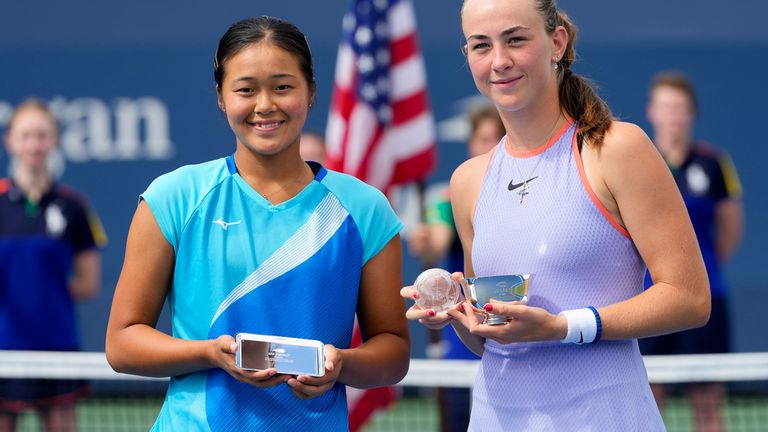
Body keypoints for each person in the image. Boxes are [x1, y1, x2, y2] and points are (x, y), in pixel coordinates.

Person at [401, 0, 710, 430]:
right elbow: (487, 339)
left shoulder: (618, 149)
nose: (500, 61)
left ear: (556, 42)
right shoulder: (467, 180)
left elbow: (690, 298)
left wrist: (564, 326)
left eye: (516, 39)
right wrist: (459, 311)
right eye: (481, 46)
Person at [104, 16, 410, 431]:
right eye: (246, 90)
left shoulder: (365, 207)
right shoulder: (173, 197)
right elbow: (122, 344)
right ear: (220, 97)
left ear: (311, 92)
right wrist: (211, 353)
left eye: (283, 87)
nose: (265, 105)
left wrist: (341, 364)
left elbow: (392, 354)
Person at [640, 71, 743, 432]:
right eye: (666, 107)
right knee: (650, 397)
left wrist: (698, 272)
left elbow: (730, 227)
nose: (673, 116)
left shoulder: (714, 164)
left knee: (708, 402)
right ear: (652, 112)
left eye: (680, 108)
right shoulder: (637, 163)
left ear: (691, 114)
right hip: (649, 301)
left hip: (707, 299)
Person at [0, 99, 106, 432]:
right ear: (11, 142)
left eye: (42, 135)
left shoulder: (74, 207)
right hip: (3, 348)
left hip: (57, 345)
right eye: (26, 135)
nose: (34, 143)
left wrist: (43, 296)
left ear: (55, 140)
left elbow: (88, 284)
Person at [406, 104, 504, 432]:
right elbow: (438, 238)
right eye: (480, 138)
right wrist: (429, 240)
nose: (486, 146)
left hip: (513, 342)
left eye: (494, 138)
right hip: (464, 350)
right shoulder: (450, 200)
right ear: (471, 144)